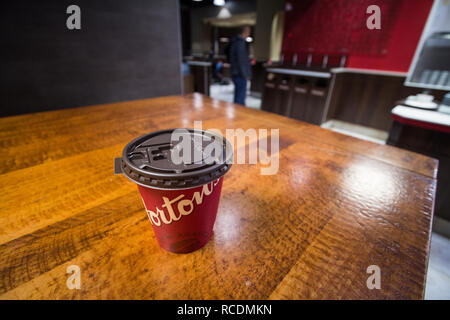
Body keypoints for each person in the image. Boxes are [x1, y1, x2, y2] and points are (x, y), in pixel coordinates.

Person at [229, 26, 252, 105]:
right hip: (240, 74)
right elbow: (241, 61)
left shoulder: (235, 42)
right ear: (245, 31)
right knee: (240, 98)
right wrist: (246, 74)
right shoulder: (240, 43)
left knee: (238, 95)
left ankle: (236, 114)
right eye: (248, 31)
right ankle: (239, 116)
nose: (249, 34)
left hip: (235, 72)